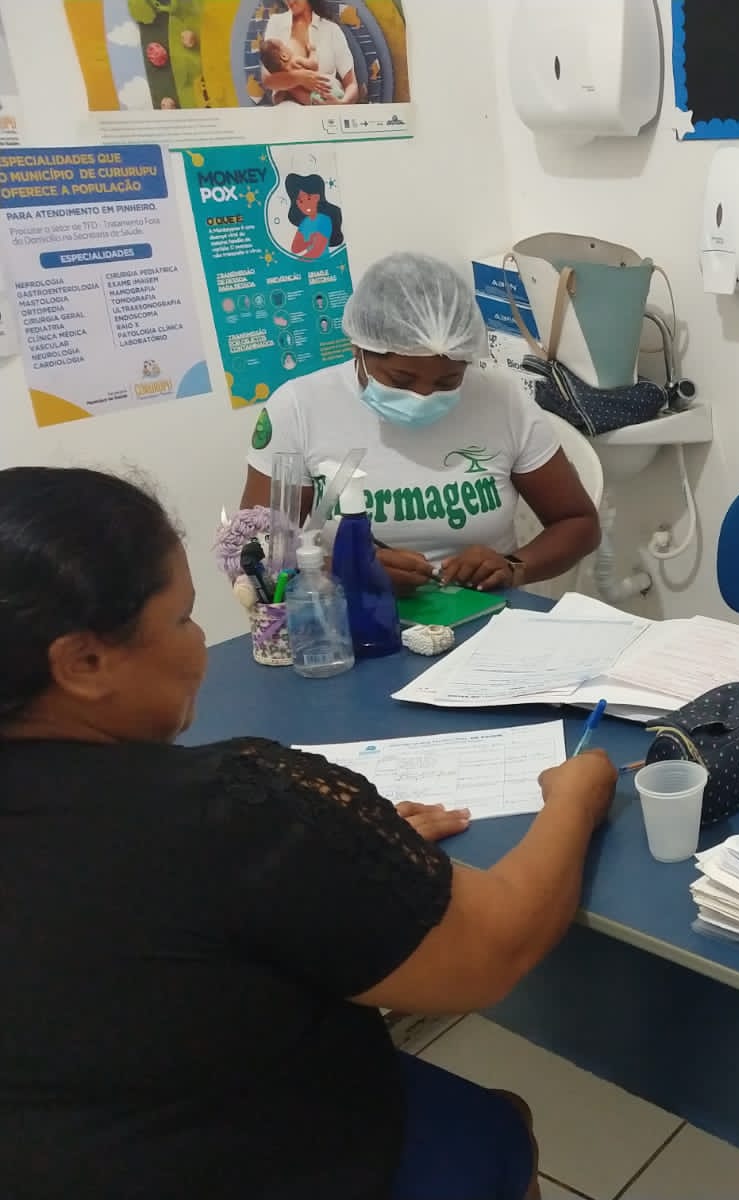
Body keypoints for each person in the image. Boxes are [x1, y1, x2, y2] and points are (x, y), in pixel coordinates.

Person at [0, 466, 619, 1200]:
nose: (201, 645)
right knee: (494, 1124)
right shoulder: (237, 808)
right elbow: (497, 948)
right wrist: (576, 797)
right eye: (184, 620)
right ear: (83, 663)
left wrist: (343, 859)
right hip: (259, 1160)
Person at [240, 251, 601, 596]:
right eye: (401, 380)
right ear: (358, 349)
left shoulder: (501, 399)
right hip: (350, 616)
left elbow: (578, 523)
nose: (423, 395)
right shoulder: (301, 407)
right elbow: (253, 553)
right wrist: (344, 572)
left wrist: (513, 567)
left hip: (483, 613)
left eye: (448, 382)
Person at [259, 0, 359, 106]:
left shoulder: (332, 30)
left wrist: (341, 104)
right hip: (290, 107)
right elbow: (268, 80)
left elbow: (351, 85)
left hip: (328, 101)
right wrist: (300, 78)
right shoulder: (276, 23)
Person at [259, 35, 345, 105]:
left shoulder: (284, 83)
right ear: (284, 56)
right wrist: (313, 51)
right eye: (285, 46)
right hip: (326, 88)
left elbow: (277, 99)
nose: (288, 47)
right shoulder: (295, 61)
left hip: (313, 98)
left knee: (302, 95)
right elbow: (313, 65)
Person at [286, 171, 343, 260]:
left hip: (323, 263)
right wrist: (308, 241)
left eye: (308, 198)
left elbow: (317, 251)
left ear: (317, 197)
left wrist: (299, 261)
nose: (304, 204)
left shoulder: (325, 220)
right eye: (300, 201)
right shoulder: (305, 223)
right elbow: (295, 248)